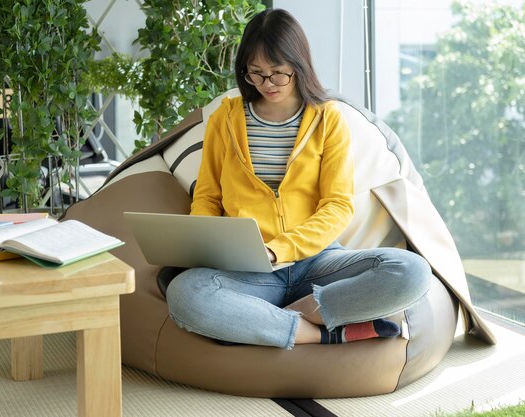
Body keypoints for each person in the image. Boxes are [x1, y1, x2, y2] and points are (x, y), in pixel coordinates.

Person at [166, 8, 432, 350]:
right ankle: (320, 331)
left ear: (298, 66)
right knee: (186, 293)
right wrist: (200, 243)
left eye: (278, 74)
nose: (267, 84)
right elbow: (207, 197)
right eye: (256, 74)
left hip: (317, 262)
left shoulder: (327, 120)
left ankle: (271, 318)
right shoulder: (224, 120)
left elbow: (337, 206)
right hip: (248, 269)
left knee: (411, 271)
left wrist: (279, 251)